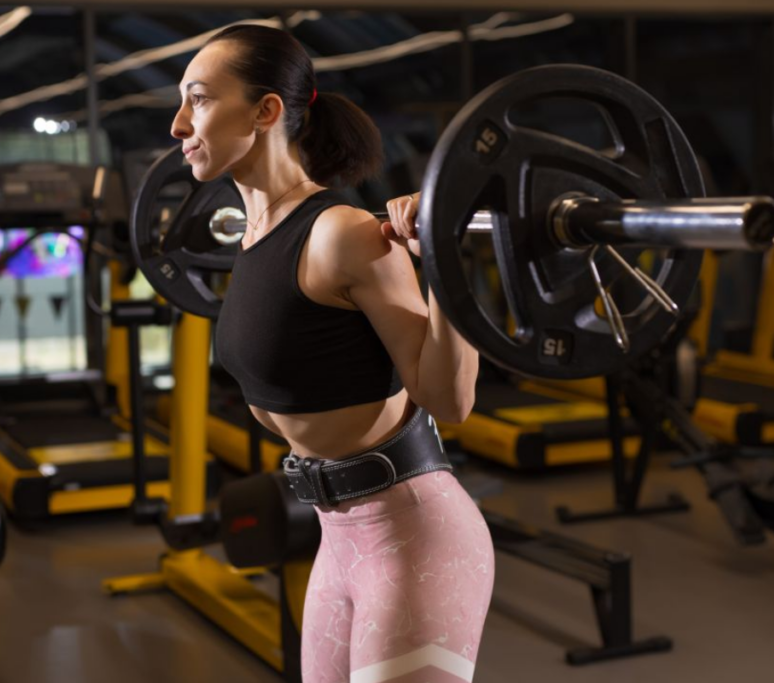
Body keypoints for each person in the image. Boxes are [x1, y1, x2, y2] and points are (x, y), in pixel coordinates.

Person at [170, 24, 495, 683]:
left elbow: (451, 400)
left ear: (265, 111)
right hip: (335, 535)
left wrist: (448, 269)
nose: (178, 125)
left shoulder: (342, 234)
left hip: (413, 533)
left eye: (199, 99)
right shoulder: (252, 239)